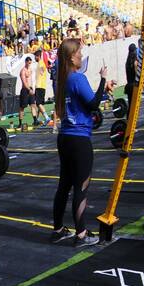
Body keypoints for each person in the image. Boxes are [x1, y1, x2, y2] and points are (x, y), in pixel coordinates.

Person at [51, 38, 110, 247]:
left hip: (65, 137)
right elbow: (93, 104)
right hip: (79, 139)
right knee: (80, 187)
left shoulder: (61, 80)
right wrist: (103, 80)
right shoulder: (77, 78)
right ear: (71, 57)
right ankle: (81, 234)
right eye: (79, 53)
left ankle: (58, 229)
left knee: (64, 186)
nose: (81, 56)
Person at [18, 56, 36, 132]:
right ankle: (20, 123)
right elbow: (24, 82)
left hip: (30, 89)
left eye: (30, 63)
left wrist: (32, 88)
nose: (29, 64)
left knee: (33, 105)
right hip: (25, 90)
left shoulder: (30, 69)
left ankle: (35, 121)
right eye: (28, 63)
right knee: (22, 107)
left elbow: (31, 80)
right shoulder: (23, 71)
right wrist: (29, 89)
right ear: (25, 62)